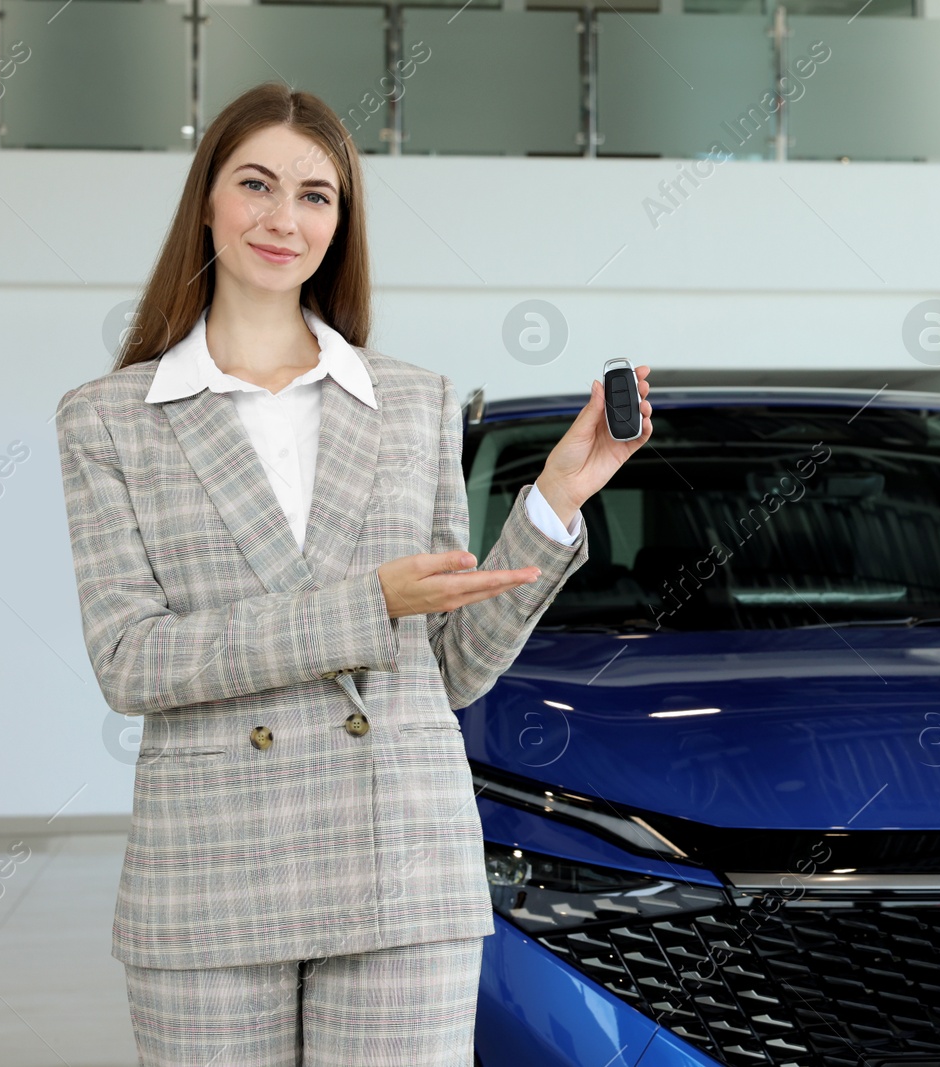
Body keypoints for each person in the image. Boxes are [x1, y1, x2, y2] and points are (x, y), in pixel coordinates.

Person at [53, 82, 651, 1066]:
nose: (283, 218)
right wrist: (364, 605)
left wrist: (553, 497)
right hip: (208, 872)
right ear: (207, 198)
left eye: (315, 194)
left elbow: (450, 668)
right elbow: (131, 661)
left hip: (399, 863)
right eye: (255, 184)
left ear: (342, 220)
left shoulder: (413, 402)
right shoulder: (108, 417)